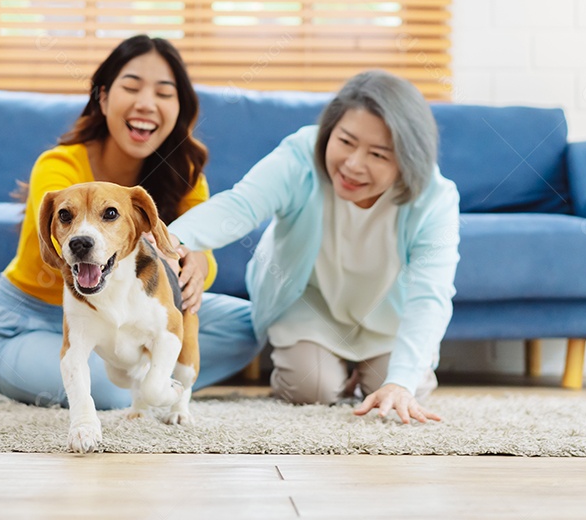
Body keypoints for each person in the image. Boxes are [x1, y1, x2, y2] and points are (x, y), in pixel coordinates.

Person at [0, 35, 258, 409]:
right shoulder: (59, 166)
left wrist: (200, 259)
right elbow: (73, 245)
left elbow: (196, 255)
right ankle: (145, 377)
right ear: (103, 97)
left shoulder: (186, 173)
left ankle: (151, 371)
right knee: (109, 391)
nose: (146, 103)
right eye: (132, 86)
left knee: (252, 327)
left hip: (129, 308)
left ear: (179, 109)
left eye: (164, 92)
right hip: (28, 322)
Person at [168, 70, 460, 424]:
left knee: (395, 387)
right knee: (311, 390)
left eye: (379, 155)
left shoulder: (435, 197)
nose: (353, 165)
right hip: (307, 302)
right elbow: (241, 205)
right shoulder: (300, 154)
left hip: (387, 315)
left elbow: (430, 294)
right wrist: (172, 239)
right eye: (346, 142)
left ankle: (375, 378)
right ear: (329, 130)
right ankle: (339, 376)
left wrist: (401, 381)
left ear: (407, 159)